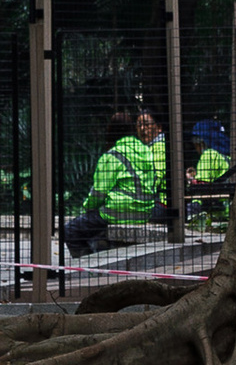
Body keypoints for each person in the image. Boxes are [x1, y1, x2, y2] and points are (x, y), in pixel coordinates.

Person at [64, 103, 165, 258]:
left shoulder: (112, 156)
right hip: (146, 212)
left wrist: (88, 208)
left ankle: (87, 268)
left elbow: (98, 193)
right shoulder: (147, 151)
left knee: (70, 230)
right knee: (96, 232)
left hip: (117, 212)